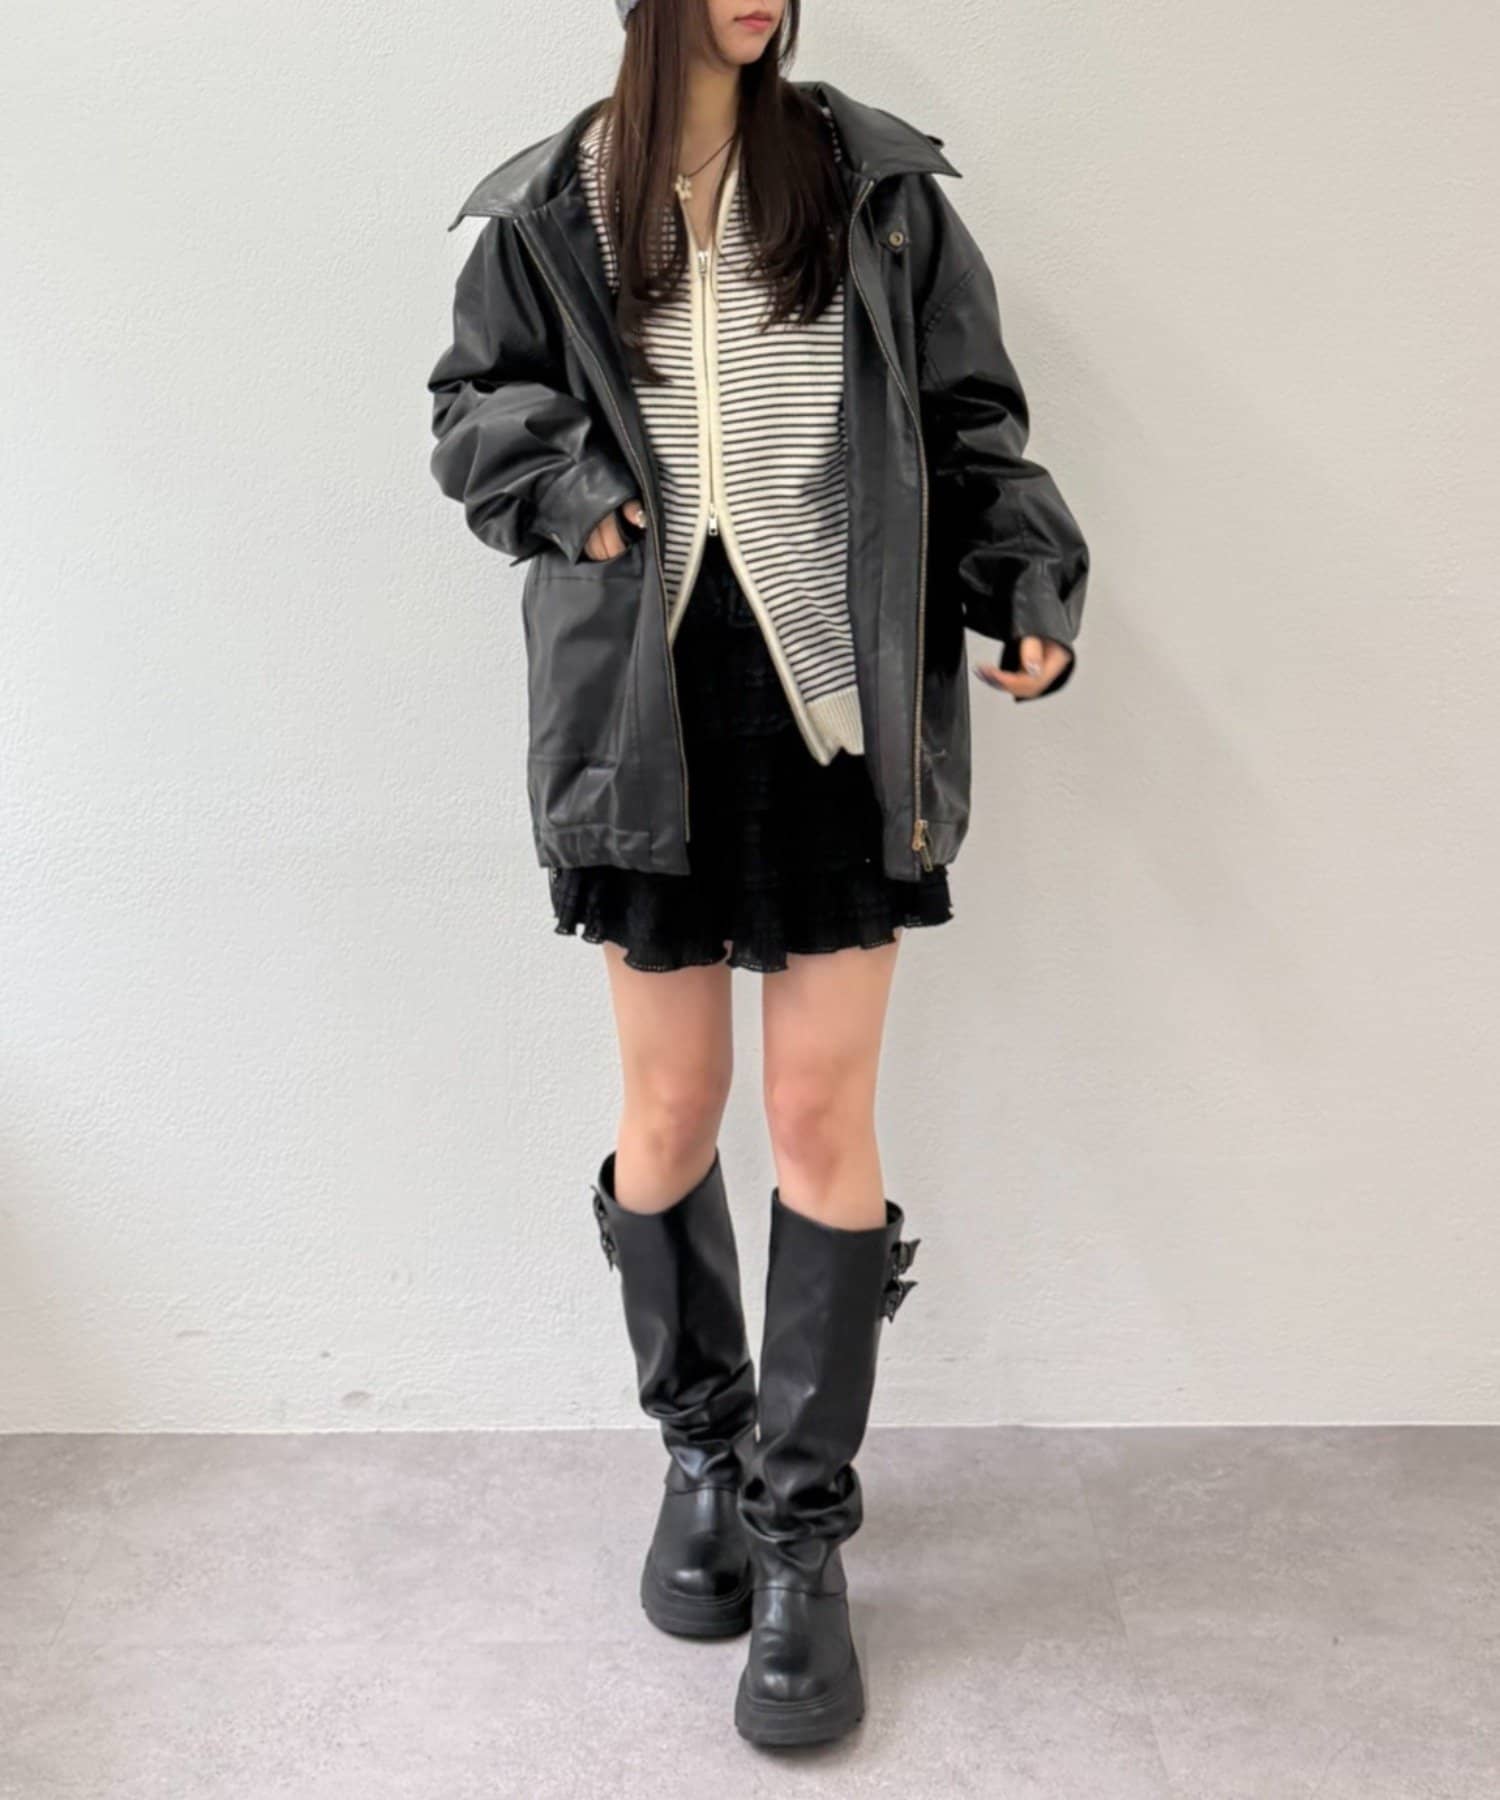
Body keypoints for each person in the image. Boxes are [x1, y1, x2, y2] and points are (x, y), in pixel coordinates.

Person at [425, 0, 1089, 1749]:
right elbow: (473, 409)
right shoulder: (549, 207)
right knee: (670, 1111)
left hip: (835, 704)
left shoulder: (871, 185)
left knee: (817, 1115)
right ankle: (702, 1460)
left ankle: (804, 1540)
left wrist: (1022, 586)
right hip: (641, 705)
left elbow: (967, 421)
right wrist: (576, 490)